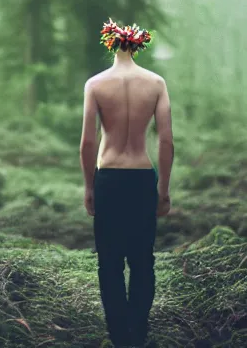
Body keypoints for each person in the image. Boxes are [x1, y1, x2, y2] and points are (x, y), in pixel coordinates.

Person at [79, 19, 174, 348]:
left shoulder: (95, 84)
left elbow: (87, 144)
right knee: (142, 257)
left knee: (109, 259)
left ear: (111, 43)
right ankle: (139, 328)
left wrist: (89, 186)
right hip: (141, 176)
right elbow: (166, 142)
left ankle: (119, 334)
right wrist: (163, 190)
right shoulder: (156, 83)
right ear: (137, 45)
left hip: (109, 178)